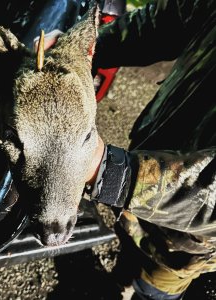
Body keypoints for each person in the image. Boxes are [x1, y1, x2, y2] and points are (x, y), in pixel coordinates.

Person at [80, 0, 216, 299]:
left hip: (186, 245)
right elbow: (172, 18)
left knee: (154, 287)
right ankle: (122, 278)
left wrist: (111, 174)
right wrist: (83, 49)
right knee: (128, 246)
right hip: (136, 193)